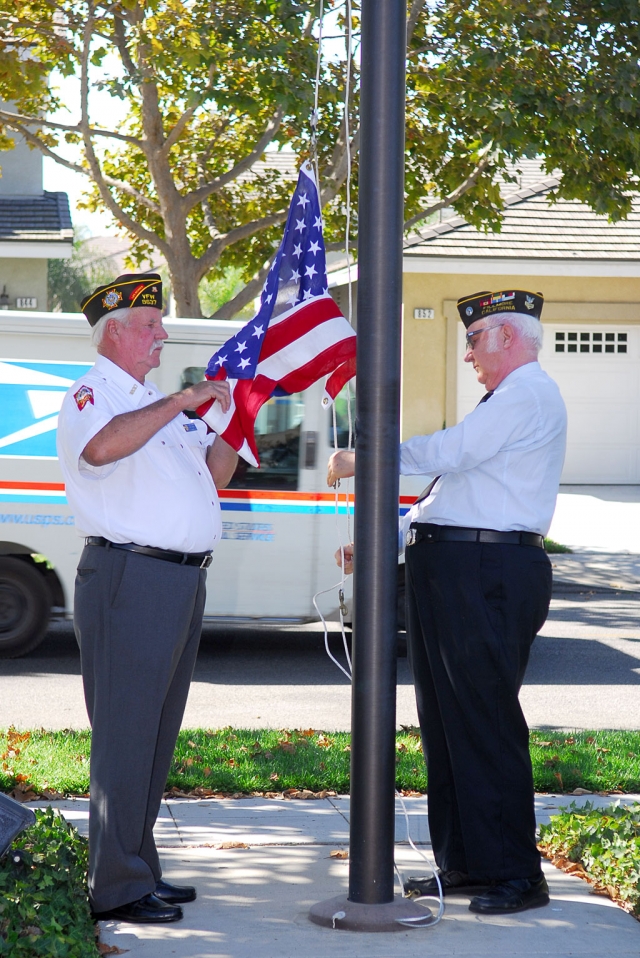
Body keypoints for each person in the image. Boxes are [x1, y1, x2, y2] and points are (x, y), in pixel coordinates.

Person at [327, 289, 567, 915]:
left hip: (486, 572)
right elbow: (453, 496)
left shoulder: (527, 394)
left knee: (483, 724)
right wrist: (388, 546)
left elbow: (451, 454)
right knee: (448, 726)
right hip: (457, 568)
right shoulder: (505, 401)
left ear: (509, 338)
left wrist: (368, 459)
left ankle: (517, 874)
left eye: (475, 339)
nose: (468, 355)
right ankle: (464, 863)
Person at [57, 273, 238, 924]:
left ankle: (139, 870)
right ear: (114, 333)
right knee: (125, 737)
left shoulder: (154, 404)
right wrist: (184, 400)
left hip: (177, 579)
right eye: (150, 324)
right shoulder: (93, 397)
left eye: (159, 323)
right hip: (131, 578)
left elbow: (213, 478)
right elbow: (102, 450)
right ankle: (115, 888)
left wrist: (229, 424)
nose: (162, 334)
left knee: (154, 736)